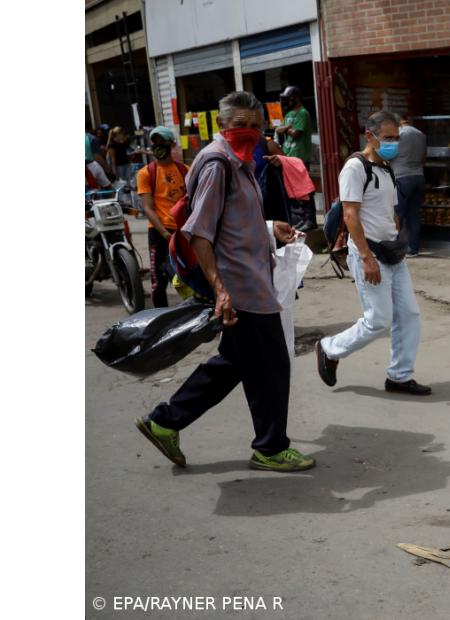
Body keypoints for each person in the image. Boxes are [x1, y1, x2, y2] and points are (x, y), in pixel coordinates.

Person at [133, 91, 316, 473]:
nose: (248, 132)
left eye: (254, 126)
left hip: (248, 282)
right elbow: (200, 232)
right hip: (241, 288)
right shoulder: (219, 164)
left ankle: (164, 421)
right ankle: (270, 447)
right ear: (222, 126)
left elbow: (231, 223)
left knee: (233, 363)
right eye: (240, 126)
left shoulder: (239, 161)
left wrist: (268, 228)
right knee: (272, 366)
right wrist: (221, 289)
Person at [314, 110, 432, 396]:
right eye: (387, 138)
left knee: (409, 316)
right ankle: (329, 348)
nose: (393, 143)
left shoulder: (387, 168)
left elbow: (390, 210)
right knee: (378, 319)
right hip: (369, 254)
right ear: (370, 136)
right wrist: (366, 257)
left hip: (392, 253)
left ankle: (399, 377)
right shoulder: (355, 168)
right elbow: (350, 214)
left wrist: (396, 235)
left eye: (396, 138)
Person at [136, 126, 189, 308]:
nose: (158, 146)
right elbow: (148, 208)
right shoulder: (146, 173)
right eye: (155, 142)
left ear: (172, 144)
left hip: (182, 231)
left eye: (163, 142)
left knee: (187, 275)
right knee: (158, 282)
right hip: (159, 233)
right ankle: (160, 318)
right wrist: (165, 234)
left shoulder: (185, 170)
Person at [276, 86, 316, 229]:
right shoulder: (288, 115)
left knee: (305, 189)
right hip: (288, 157)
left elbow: (296, 133)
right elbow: (279, 130)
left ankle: (310, 220)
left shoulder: (303, 113)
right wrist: (287, 128)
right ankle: (300, 219)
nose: (287, 101)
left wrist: (286, 129)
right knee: (294, 190)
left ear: (297, 97)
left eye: (289, 98)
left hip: (300, 157)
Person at [393, 116, 427, 256]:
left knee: (397, 214)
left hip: (401, 177)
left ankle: (393, 248)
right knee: (414, 214)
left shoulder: (398, 134)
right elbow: (424, 157)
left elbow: (389, 155)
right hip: (418, 176)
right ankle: (413, 249)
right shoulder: (420, 134)